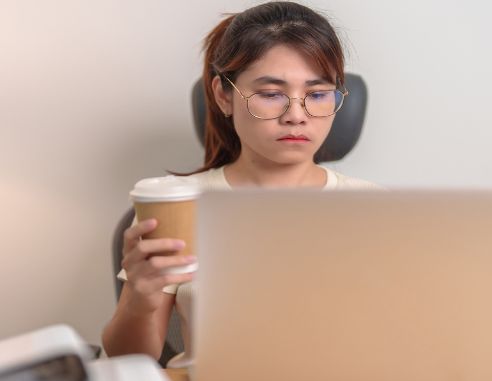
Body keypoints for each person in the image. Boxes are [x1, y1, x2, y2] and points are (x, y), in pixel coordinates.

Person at [102, 1, 379, 368]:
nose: (296, 116)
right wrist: (140, 296)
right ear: (223, 95)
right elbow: (129, 359)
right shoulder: (177, 206)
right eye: (271, 94)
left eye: (317, 94)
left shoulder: (375, 210)